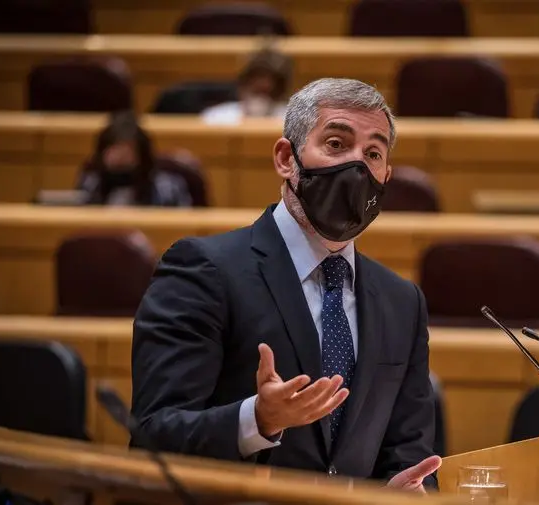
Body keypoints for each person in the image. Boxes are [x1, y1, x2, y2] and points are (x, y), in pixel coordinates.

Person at [131, 78, 441, 491]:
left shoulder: (401, 301)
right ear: (285, 158)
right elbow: (153, 434)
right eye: (335, 144)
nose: (356, 166)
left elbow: (409, 453)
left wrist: (407, 493)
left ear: (385, 175)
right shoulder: (205, 269)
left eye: (372, 153)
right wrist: (257, 419)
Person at [76, 111, 192, 207]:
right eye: (113, 148)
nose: (119, 156)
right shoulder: (91, 181)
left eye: (127, 149)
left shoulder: (166, 188)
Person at [201, 48, 293, 124]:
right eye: (257, 75)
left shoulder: (293, 122)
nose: (263, 83)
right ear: (243, 83)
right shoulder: (214, 117)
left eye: (272, 77)